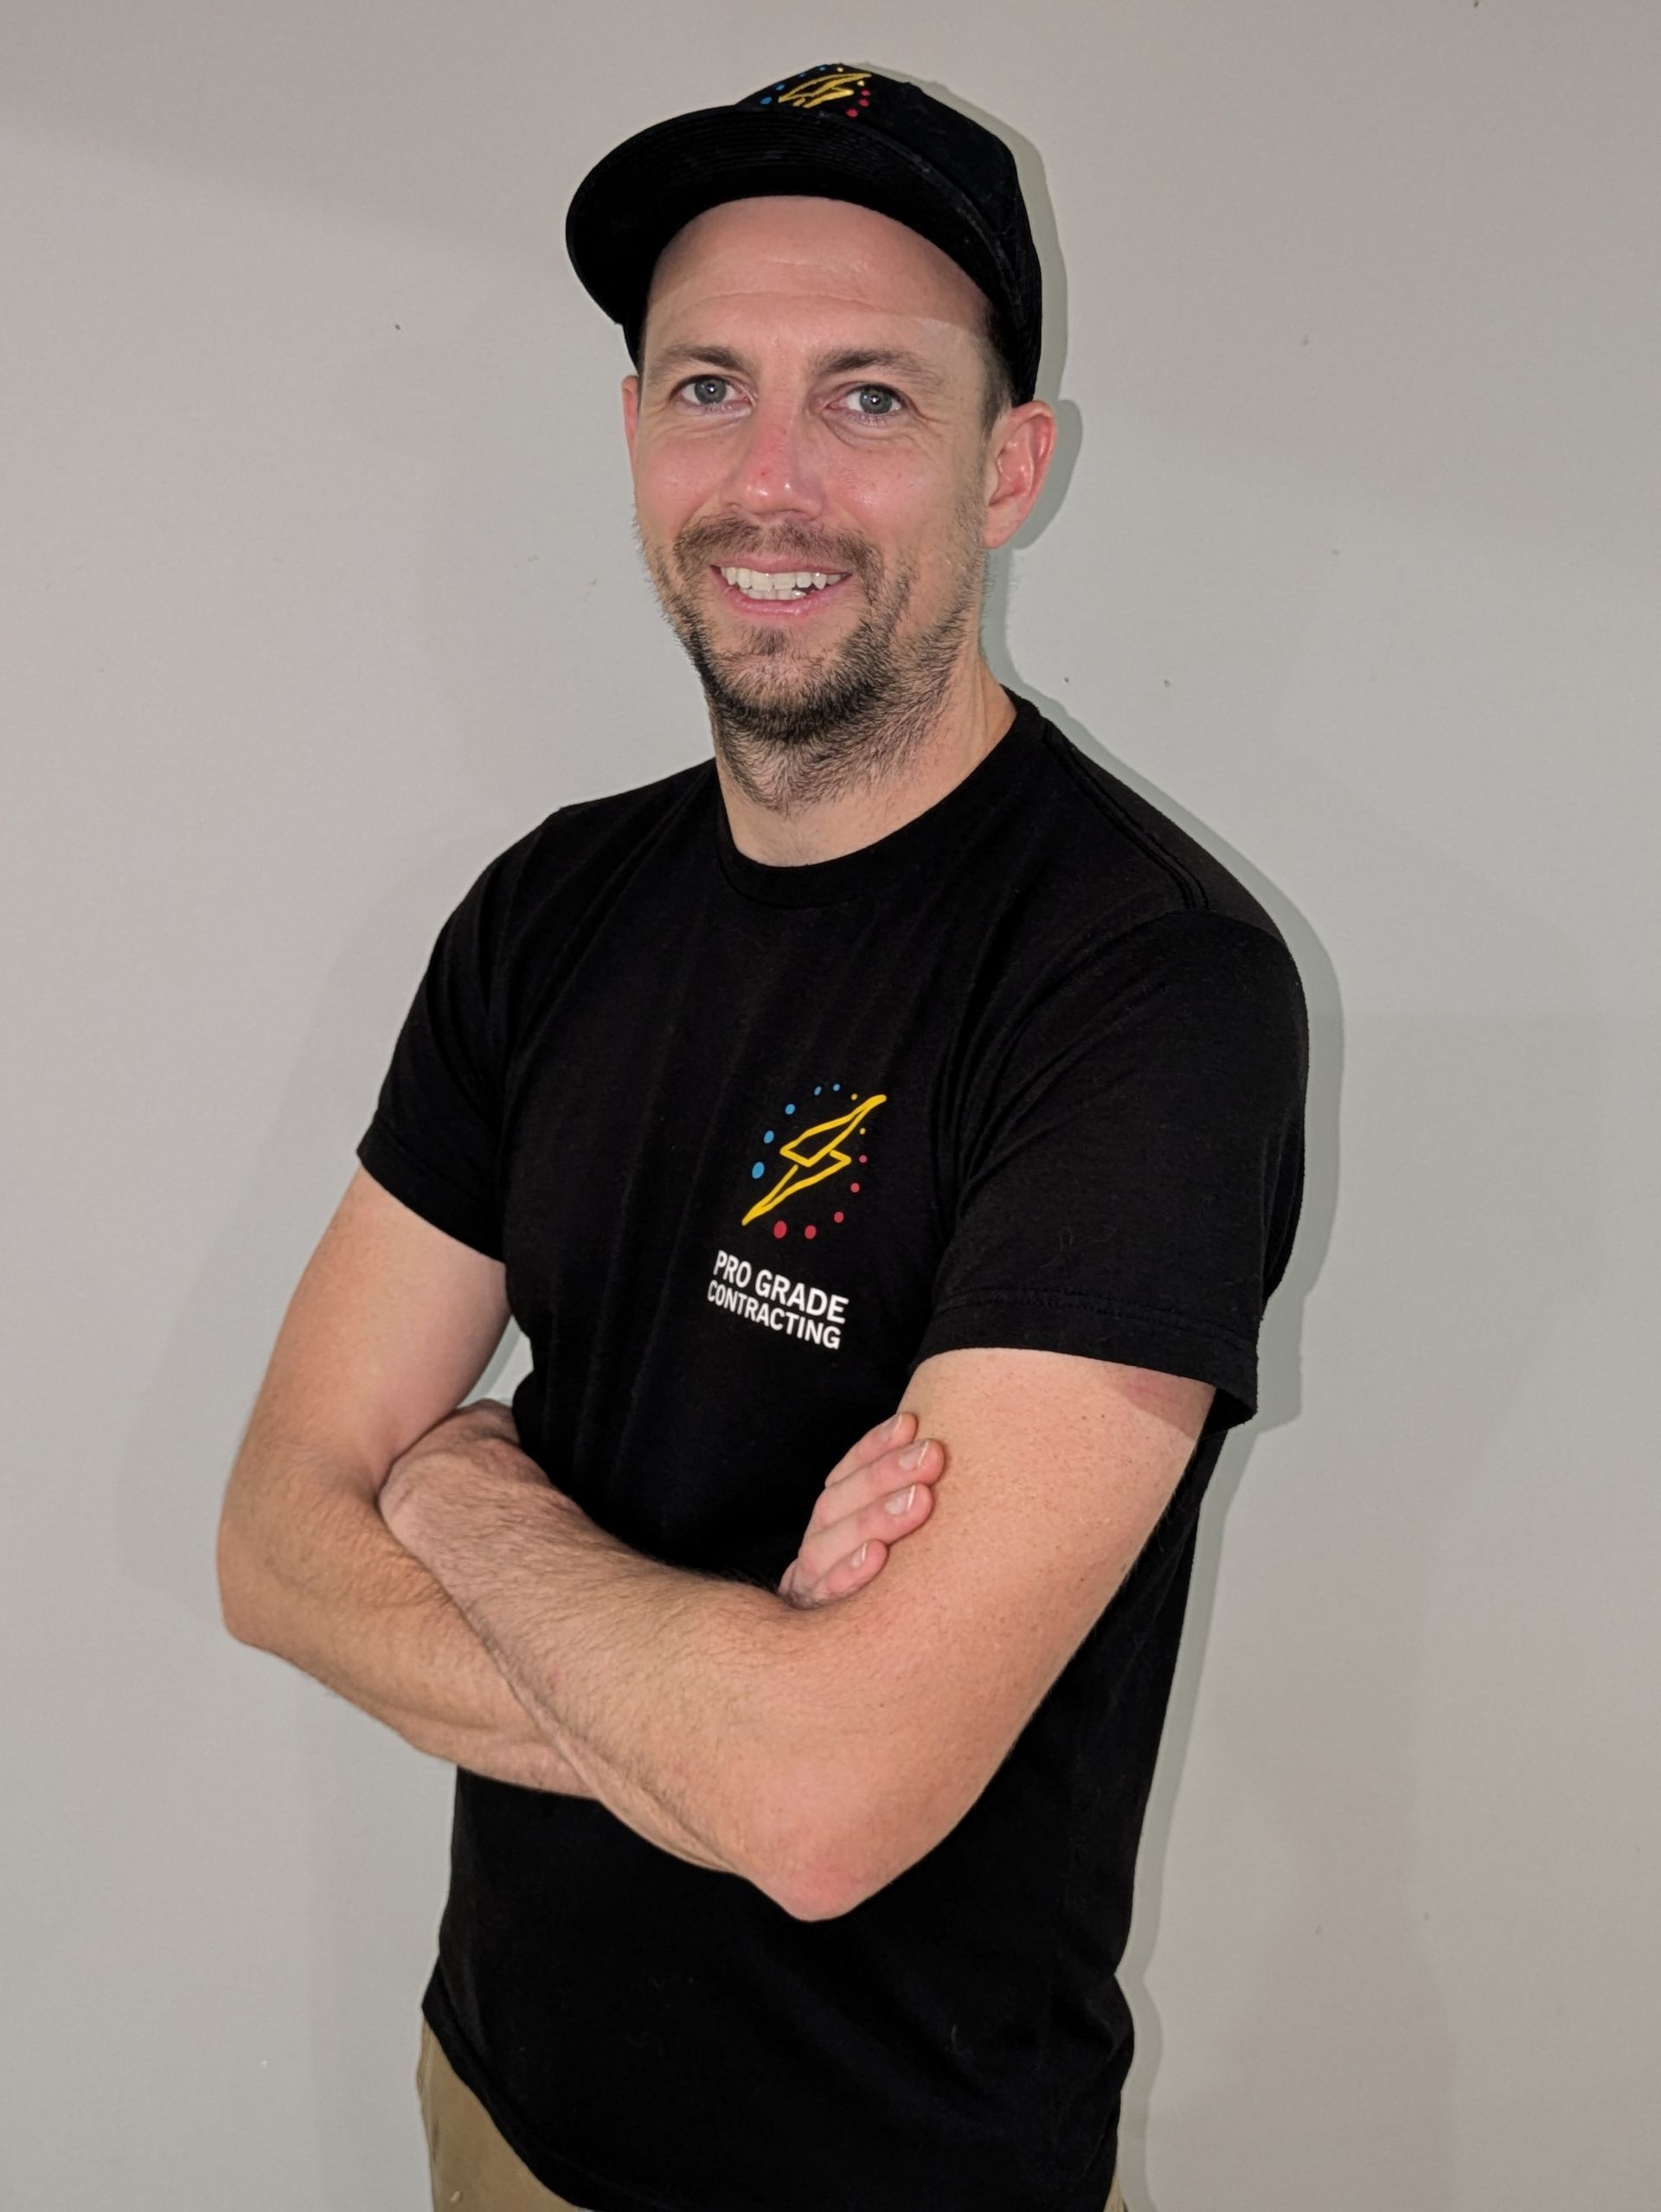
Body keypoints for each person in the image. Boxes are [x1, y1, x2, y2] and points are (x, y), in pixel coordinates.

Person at [216, 59, 1309, 2212]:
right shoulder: (550, 910)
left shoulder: (1146, 987)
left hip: (896, 2167)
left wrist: (467, 1495)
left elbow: (828, 1810)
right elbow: (273, 1540)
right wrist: (732, 1707)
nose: (772, 480)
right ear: (635, 430)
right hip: (495, 2098)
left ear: (1011, 467)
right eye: (710, 386)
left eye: (870, 397)